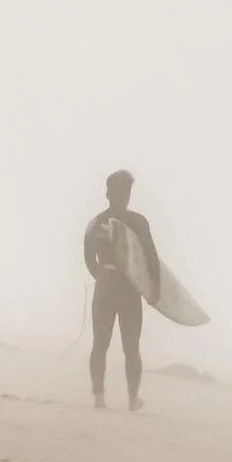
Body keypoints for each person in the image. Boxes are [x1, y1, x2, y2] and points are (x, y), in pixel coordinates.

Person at [83, 169, 161, 411]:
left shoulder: (97, 222)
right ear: (109, 193)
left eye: (127, 191)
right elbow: (150, 258)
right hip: (126, 289)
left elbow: (88, 256)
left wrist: (101, 275)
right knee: (122, 345)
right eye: (122, 191)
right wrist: (154, 288)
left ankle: (104, 399)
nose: (125, 196)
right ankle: (128, 399)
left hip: (114, 287)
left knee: (107, 344)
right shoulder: (137, 222)